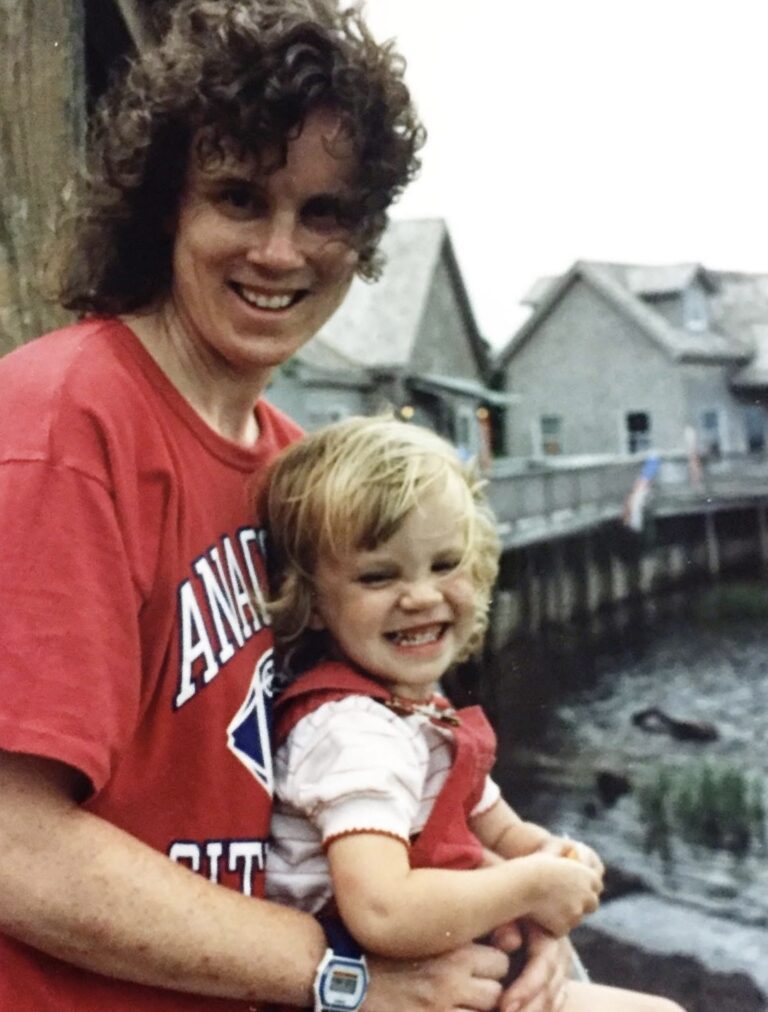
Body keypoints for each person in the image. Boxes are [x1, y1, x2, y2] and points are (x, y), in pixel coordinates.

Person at [0, 1, 572, 1009]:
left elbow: (382, 743)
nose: (279, 251)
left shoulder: (300, 473)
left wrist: (506, 910)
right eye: (236, 197)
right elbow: (16, 844)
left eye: (323, 214)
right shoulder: (64, 426)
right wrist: (341, 972)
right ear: (165, 207)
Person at [261, 415, 687, 1012]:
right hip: (374, 988)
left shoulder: (418, 714)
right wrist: (531, 887)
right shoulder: (353, 734)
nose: (421, 596)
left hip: (438, 967)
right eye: (378, 575)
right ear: (311, 604)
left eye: (444, 564)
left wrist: (555, 856)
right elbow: (383, 910)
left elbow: (504, 832)